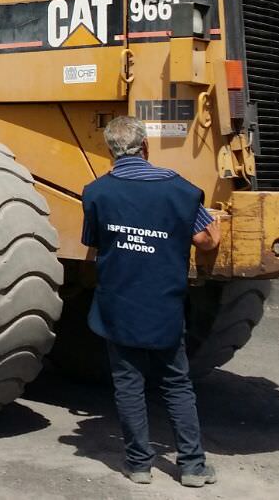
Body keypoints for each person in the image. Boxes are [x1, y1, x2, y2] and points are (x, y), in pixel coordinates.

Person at [80, 115, 223, 488]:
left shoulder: (96, 193)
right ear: (146, 147)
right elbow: (206, 240)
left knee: (128, 384)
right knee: (176, 384)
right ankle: (192, 467)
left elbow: (95, 242)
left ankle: (139, 464)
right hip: (164, 307)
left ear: (110, 151)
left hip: (118, 307)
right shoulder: (182, 192)